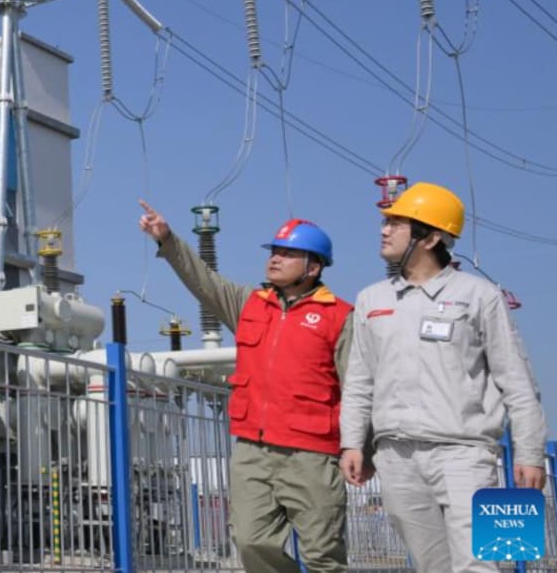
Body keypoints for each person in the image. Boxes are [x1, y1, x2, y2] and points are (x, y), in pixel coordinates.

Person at [139, 200, 359, 573]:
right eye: (274, 251)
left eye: (288, 253)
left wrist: (357, 445)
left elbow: (356, 387)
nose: (275, 258)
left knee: (323, 556)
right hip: (253, 449)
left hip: (312, 453)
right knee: (250, 539)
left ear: (314, 266)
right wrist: (167, 239)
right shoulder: (249, 305)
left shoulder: (339, 316)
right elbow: (204, 282)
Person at [339, 182, 548, 573]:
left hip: (465, 455)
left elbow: (517, 382)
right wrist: (352, 443)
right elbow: (359, 382)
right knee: (431, 566)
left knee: (481, 565)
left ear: (431, 236)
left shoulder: (480, 296)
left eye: (397, 223)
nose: (384, 230)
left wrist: (530, 452)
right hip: (396, 457)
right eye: (386, 221)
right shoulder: (372, 300)